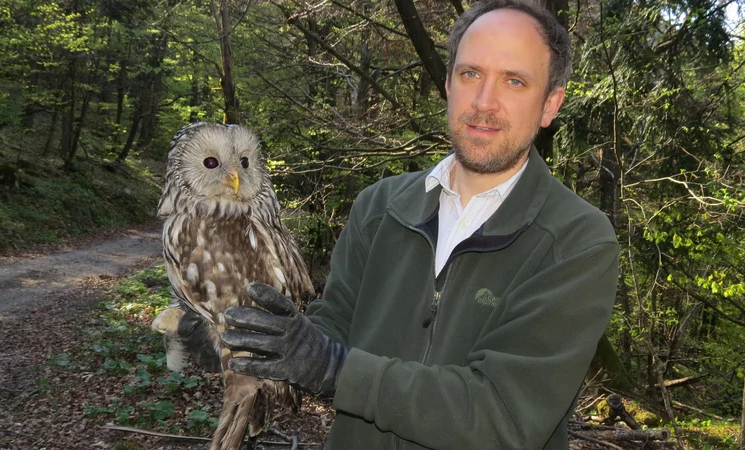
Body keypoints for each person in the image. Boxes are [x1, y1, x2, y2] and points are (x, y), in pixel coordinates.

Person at [220, 1, 620, 448]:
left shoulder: (577, 241)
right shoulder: (379, 206)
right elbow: (332, 328)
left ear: (550, 104)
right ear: (448, 84)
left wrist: (336, 369)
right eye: (471, 74)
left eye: (514, 81)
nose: (485, 102)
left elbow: (503, 415)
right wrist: (257, 347)